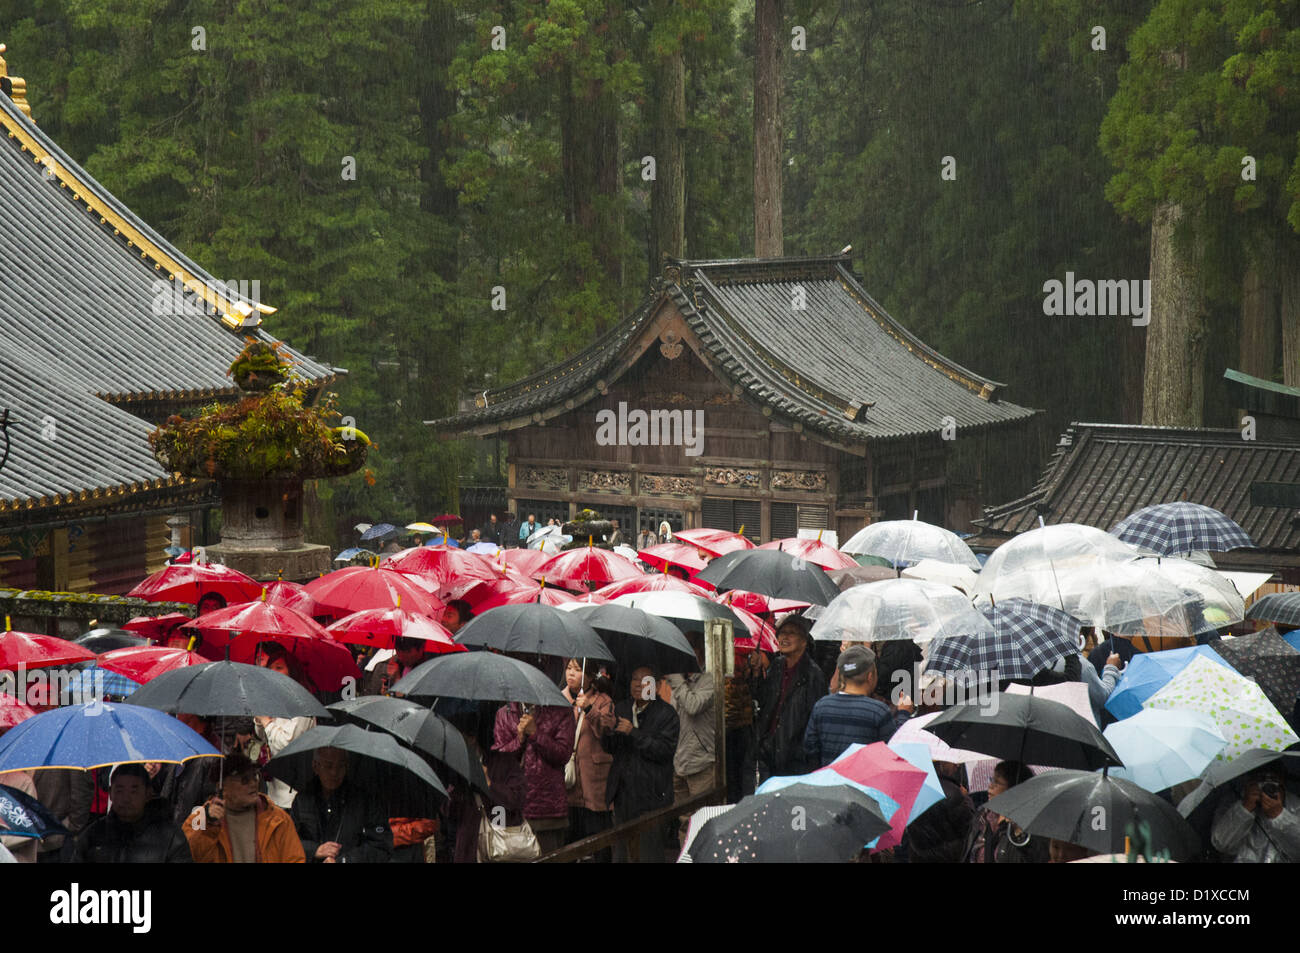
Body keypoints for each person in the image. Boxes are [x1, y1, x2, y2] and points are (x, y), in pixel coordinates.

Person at [603, 665, 680, 863]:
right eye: (635, 680)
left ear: (655, 686)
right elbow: (611, 748)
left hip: (651, 796)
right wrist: (609, 730)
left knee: (649, 853)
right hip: (623, 794)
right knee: (621, 854)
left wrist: (633, 733)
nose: (638, 685)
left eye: (645, 681)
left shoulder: (667, 713)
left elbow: (663, 751)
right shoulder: (621, 708)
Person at [493, 690, 576, 855]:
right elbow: (499, 759)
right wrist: (519, 740)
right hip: (513, 808)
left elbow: (562, 754)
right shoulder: (504, 713)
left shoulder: (560, 711)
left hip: (547, 809)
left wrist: (535, 733)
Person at [184, 753, 306, 863]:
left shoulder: (278, 818)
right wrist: (209, 826)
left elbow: (295, 859)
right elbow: (193, 856)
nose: (253, 783)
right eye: (245, 780)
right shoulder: (198, 818)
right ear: (222, 786)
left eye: (255, 777)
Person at [748, 615, 827, 781]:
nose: (784, 637)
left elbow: (816, 720)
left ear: (804, 641)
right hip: (769, 754)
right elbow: (762, 700)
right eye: (782, 632)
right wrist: (756, 673)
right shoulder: (777, 666)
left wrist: (805, 753)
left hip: (796, 759)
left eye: (791, 633)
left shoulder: (813, 675)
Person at [804, 646, 912, 767]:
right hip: (864, 783)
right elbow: (894, 749)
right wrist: (903, 713)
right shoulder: (878, 711)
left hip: (829, 779)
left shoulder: (821, 706)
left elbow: (810, 748)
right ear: (870, 676)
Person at [69, 764, 192, 863]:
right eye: (120, 790)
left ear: (148, 793)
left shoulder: (172, 838)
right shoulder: (92, 836)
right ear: (111, 793)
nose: (126, 798)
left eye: (134, 791)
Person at [290, 747, 392, 863]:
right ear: (316, 766)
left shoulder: (365, 800)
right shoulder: (303, 800)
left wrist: (345, 860)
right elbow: (288, 841)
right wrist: (315, 850)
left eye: (341, 766)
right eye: (328, 766)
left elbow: (381, 846)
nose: (334, 772)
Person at [562, 660, 617, 857]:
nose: (571, 674)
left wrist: (588, 709)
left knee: (599, 840)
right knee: (569, 841)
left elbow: (607, 730)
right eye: (569, 668)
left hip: (594, 780)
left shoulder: (603, 700)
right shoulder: (560, 699)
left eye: (577, 670)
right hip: (568, 781)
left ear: (590, 675)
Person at [251, 642, 316, 809]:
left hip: (293, 795)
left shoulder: (303, 706)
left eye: (279, 667)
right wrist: (260, 718)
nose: (273, 673)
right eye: (270, 668)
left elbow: (286, 744)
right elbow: (262, 736)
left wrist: (266, 722)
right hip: (273, 791)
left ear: (292, 672)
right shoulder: (275, 700)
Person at [666, 632, 715, 824]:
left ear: (700, 651)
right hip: (679, 760)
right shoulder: (680, 680)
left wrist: (677, 681)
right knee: (684, 822)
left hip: (701, 761)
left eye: (689, 650)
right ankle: (683, 854)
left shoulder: (709, 678)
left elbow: (693, 706)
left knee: (702, 821)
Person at [963, 761, 1047, 863]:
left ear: (1014, 789)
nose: (990, 786)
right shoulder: (983, 816)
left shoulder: (1029, 826)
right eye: (991, 780)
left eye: (997, 782)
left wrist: (1017, 831)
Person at [1211, 767, 1300, 863]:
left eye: (1274, 780)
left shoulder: (1295, 805)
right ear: (1250, 781)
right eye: (1261, 779)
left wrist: (1280, 816)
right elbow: (1221, 844)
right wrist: (1244, 809)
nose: (1268, 786)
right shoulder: (1232, 800)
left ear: (1282, 782)